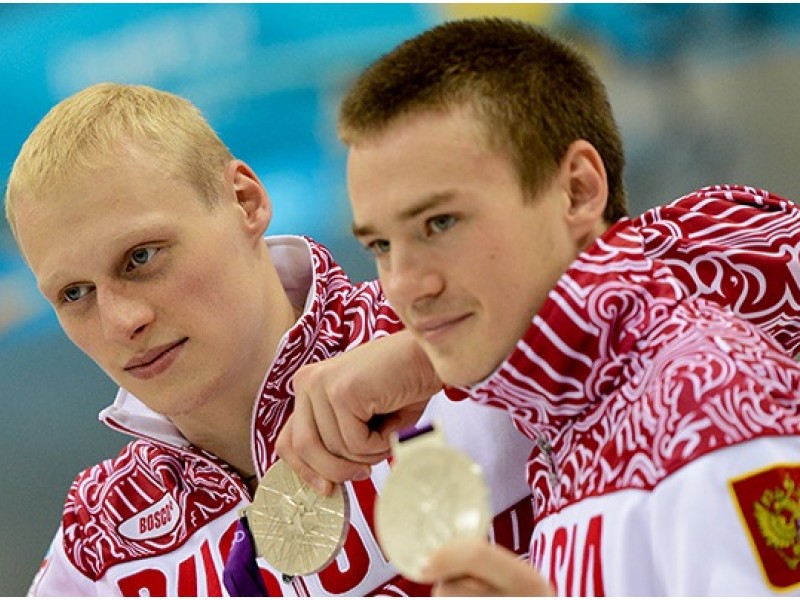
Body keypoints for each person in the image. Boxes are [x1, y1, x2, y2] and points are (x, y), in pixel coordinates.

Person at [276, 17, 800, 596]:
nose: (405, 285)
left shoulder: (707, 410)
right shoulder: (563, 420)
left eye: (440, 222)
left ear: (577, 189)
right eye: (379, 245)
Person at [4, 82, 537, 596]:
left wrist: (429, 360)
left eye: (141, 257)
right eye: (75, 294)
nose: (122, 321)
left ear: (245, 201)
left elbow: (617, 282)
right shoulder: (103, 535)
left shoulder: (456, 323)